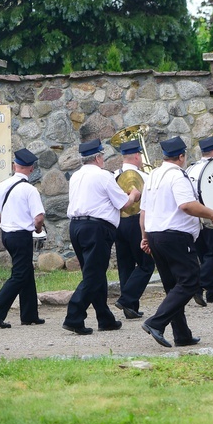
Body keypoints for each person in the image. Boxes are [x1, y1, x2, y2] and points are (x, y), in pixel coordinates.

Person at [139, 137, 213, 348]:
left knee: (172, 285)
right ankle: (155, 323)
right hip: (175, 236)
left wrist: (144, 236)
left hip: (155, 234)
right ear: (181, 156)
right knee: (190, 281)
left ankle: (182, 334)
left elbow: (144, 212)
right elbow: (186, 205)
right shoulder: (177, 176)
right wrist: (212, 214)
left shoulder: (152, 176)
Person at [64, 139, 141, 335]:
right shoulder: (103, 176)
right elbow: (123, 204)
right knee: (94, 274)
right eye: (103, 156)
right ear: (98, 157)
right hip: (96, 228)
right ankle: (74, 316)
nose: (104, 160)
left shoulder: (75, 176)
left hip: (76, 226)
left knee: (92, 272)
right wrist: (133, 193)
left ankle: (105, 318)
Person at [0, 149, 46, 328]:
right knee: (19, 274)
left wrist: (4, 219)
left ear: (14, 166)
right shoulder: (30, 190)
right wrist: (38, 229)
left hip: (7, 235)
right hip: (21, 235)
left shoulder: (2, 185)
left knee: (26, 270)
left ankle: (29, 314)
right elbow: (39, 217)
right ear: (31, 169)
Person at [113, 139, 154, 320]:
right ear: (137, 156)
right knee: (146, 264)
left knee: (125, 265)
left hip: (118, 223)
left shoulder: (113, 175)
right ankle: (127, 299)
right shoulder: (145, 177)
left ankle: (131, 308)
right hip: (137, 222)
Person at [186, 136, 213, 305]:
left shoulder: (191, 168)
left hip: (195, 217)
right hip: (212, 216)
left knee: (204, 256)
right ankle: (198, 285)